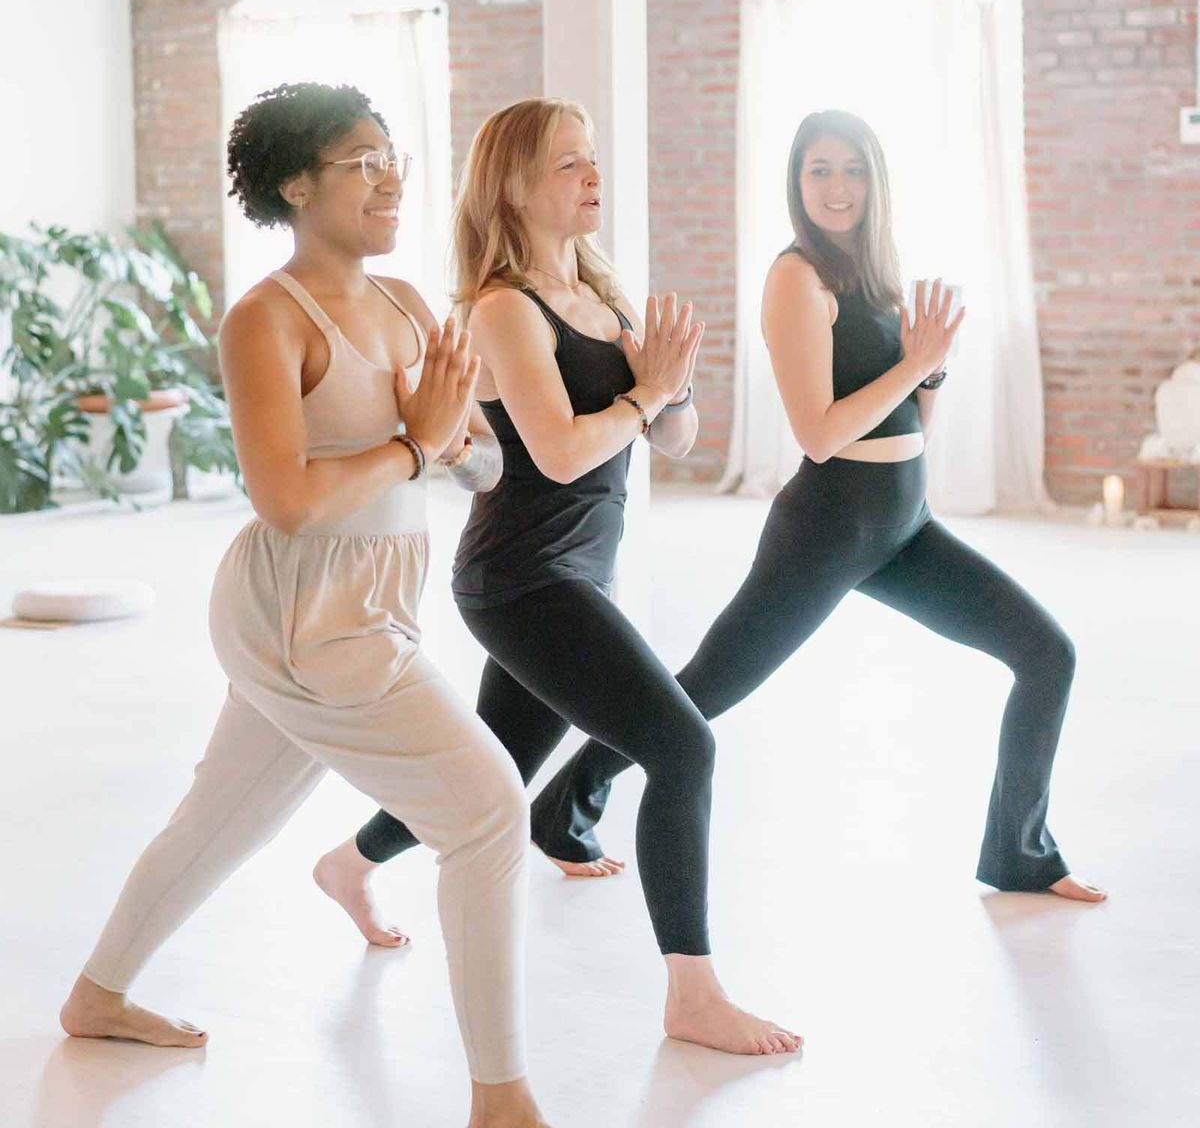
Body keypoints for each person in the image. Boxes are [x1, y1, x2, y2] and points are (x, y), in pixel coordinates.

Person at [59, 82, 551, 1128]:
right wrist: (419, 441)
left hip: (378, 594)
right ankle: (501, 1102)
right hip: (299, 608)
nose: (390, 179)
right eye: (361, 161)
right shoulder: (267, 320)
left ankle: (96, 997)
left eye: (392, 157)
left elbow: (489, 465)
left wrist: (449, 441)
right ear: (296, 184)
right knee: (489, 809)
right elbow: (284, 500)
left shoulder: (412, 305)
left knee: (224, 813)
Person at [470, 107, 1107, 906]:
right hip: (830, 526)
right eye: (819, 171)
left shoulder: (877, 277)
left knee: (1047, 654)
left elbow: (912, 427)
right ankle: (567, 804)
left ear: (876, 181)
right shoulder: (794, 276)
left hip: (904, 523)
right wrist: (915, 365)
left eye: (851, 170)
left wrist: (931, 375)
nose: (836, 187)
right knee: (704, 691)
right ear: (796, 185)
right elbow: (820, 434)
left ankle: (1021, 853)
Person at [316, 97, 802, 1056]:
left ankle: (347, 862)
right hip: (523, 580)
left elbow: (678, 436)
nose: (591, 179)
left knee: (492, 772)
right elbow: (564, 451)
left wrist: (664, 388)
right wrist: (646, 390)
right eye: (568, 164)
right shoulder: (503, 307)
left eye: (591, 161)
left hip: (582, 569)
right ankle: (693, 995)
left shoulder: (607, 291)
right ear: (514, 187)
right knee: (685, 748)